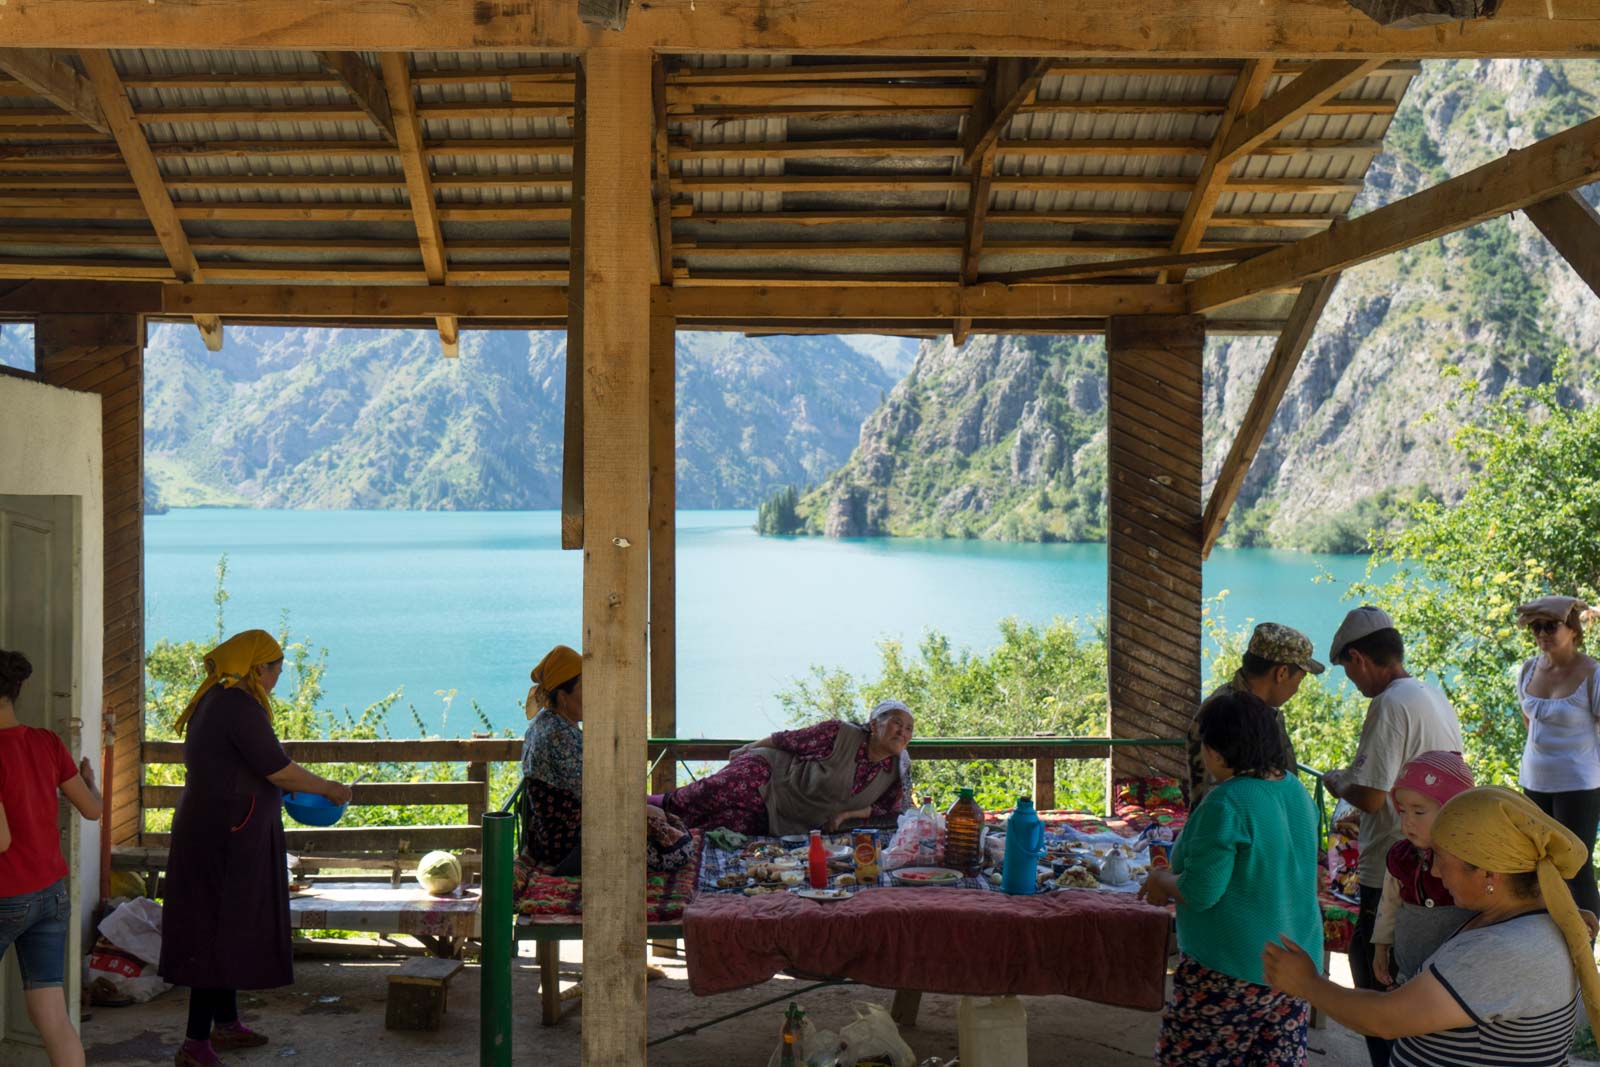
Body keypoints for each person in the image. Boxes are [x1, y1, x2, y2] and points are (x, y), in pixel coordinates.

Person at [1264, 786, 1600, 1067]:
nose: (1435, 872)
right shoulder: (1533, 920)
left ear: (1487, 875)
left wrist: (1306, 982)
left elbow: (1384, 1019)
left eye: (1440, 857)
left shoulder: (1504, 951)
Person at [158, 630, 352, 1067]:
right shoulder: (237, 706)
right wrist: (331, 788)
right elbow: (279, 770)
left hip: (223, 828)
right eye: (277, 670)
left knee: (227, 924)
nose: (278, 678)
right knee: (215, 928)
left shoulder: (220, 701)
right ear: (257, 669)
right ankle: (195, 1043)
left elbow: (242, 769)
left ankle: (225, 1024)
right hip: (224, 836)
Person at [1140, 691, 1323, 1065]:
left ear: (1216, 753)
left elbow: (1202, 890)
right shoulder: (1294, 789)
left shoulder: (1227, 801)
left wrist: (1161, 882)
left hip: (1230, 968)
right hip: (1295, 965)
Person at [1320, 605, 1462, 1067]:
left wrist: (1338, 781)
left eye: (1348, 671)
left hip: (1390, 865)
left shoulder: (1388, 704)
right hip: (1435, 859)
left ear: (1360, 658)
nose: (1353, 684)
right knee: (1413, 973)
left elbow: (1372, 796)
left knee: (1374, 977)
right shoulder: (1431, 694)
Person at [0, 649, 102, 1067]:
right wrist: (92, 784)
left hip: (5, 893)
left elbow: (1, 840)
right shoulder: (46, 742)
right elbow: (93, 809)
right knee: (55, 1019)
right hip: (49, 894)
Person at [659, 700, 914, 835]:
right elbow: (787, 739)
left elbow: (883, 808)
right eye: (896, 723)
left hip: (787, 817)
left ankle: (656, 829)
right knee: (710, 794)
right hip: (771, 773)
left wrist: (845, 816)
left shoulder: (897, 770)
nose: (902, 731)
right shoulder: (840, 733)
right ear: (873, 724)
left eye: (909, 729)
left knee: (720, 824)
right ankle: (645, 807)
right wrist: (748, 748)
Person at [1513, 595, 1600, 917]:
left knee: (1575, 867)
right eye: (1536, 627)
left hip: (1579, 784)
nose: (1542, 633)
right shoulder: (1527, 669)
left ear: (1574, 629)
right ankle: (1550, 945)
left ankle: (1584, 949)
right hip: (1535, 780)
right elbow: (1530, 724)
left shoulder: (1593, 673)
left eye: (1550, 625)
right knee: (1537, 863)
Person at [1185, 621, 1323, 809]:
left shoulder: (1260, 709)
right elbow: (1219, 801)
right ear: (1281, 673)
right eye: (1300, 678)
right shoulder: (1228, 716)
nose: (1297, 689)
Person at [1370, 751, 1475, 989]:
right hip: (1407, 974)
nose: (1407, 821)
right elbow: (1388, 905)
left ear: (1453, 810)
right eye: (1402, 811)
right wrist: (1381, 948)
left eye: (1418, 812)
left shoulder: (1474, 861)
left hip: (1459, 981)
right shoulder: (1401, 857)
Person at [519, 644, 584, 871]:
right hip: (569, 843)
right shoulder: (559, 734)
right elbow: (591, 793)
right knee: (674, 848)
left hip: (551, 836)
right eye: (584, 687)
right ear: (564, 696)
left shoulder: (546, 723)